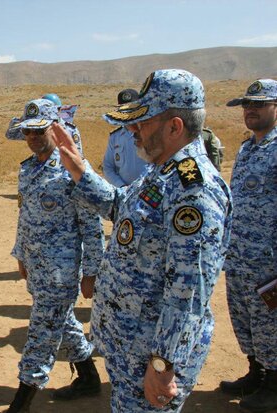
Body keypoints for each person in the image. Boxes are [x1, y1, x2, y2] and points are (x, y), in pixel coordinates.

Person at [51, 69, 232, 412]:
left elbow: (189, 289)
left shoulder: (194, 191)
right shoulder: (162, 171)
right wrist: (80, 171)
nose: (131, 130)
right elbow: (123, 209)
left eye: (142, 122)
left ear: (174, 127)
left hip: (152, 355)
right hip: (130, 345)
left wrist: (164, 365)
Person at [5, 99, 104, 412]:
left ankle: (23, 400)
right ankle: (88, 377)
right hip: (36, 265)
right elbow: (26, 215)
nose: (32, 138)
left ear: (54, 129)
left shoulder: (71, 170)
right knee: (62, 321)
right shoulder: (28, 169)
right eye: (28, 132)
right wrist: (21, 253)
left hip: (61, 271)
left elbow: (92, 226)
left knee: (42, 333)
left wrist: (91, 273)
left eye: (39, 131)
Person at [219, 78, 277, 413]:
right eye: (246, 105)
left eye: (258, 104)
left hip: (268, 262)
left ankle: (275, 384)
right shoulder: (247, 148)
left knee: (271, 325)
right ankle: (256, 373)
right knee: (245, 320)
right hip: (240, 257)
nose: (250, 110)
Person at [6, 93, 84, 156]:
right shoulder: (33, 128)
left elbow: (77, 154)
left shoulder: (69, 129)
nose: (33, 135)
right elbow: (11, 134)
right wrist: (26, 120)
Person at [102, 89, 148, 186]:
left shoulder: (149, 133)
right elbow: (108, 167)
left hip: (147, 191)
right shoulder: (115, 137)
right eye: (124, 109)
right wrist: (121, 186)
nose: (128, 114)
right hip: (123, 192)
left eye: (132, 109)